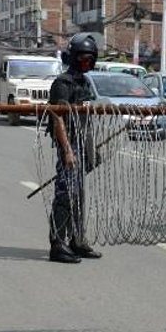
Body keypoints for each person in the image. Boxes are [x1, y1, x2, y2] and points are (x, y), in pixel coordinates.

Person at [46, 32, 103, 264]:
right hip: (68, 144)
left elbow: (86, 116)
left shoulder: (83, 81)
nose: (86, 63)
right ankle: (58, 245)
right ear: (72, 58)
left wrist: (91, 150)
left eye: (90, 59)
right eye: (82, 59)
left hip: (82, 142)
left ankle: (77, 241)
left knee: (78, 195)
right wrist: (67, 150)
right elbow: (57, 118)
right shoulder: (62, 83)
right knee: (65, 196)